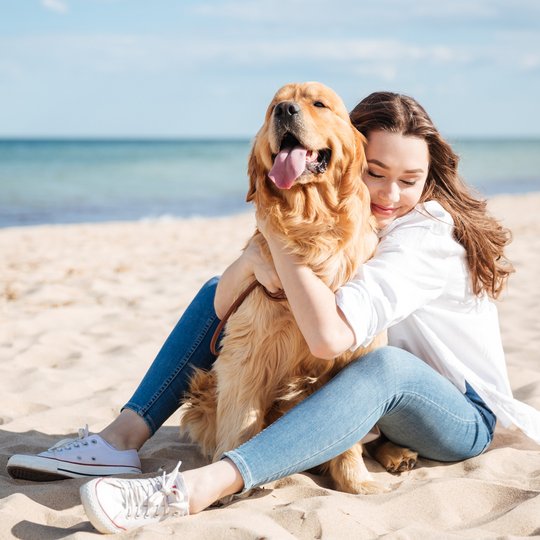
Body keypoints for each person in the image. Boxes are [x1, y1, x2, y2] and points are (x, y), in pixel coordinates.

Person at [8, 92, 540, 534]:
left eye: (410, 178)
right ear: (349, 158)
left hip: (457, 416)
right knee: (223, 284)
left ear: (430, 176)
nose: (390, 193)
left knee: (381, 364)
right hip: (372, 407)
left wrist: (276, 236)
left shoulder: (424, 235)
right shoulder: (356, 219)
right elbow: (221, 306)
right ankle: (122, 438)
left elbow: (331, 338)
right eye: (376, 173)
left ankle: (205, 485)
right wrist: (255, 255)